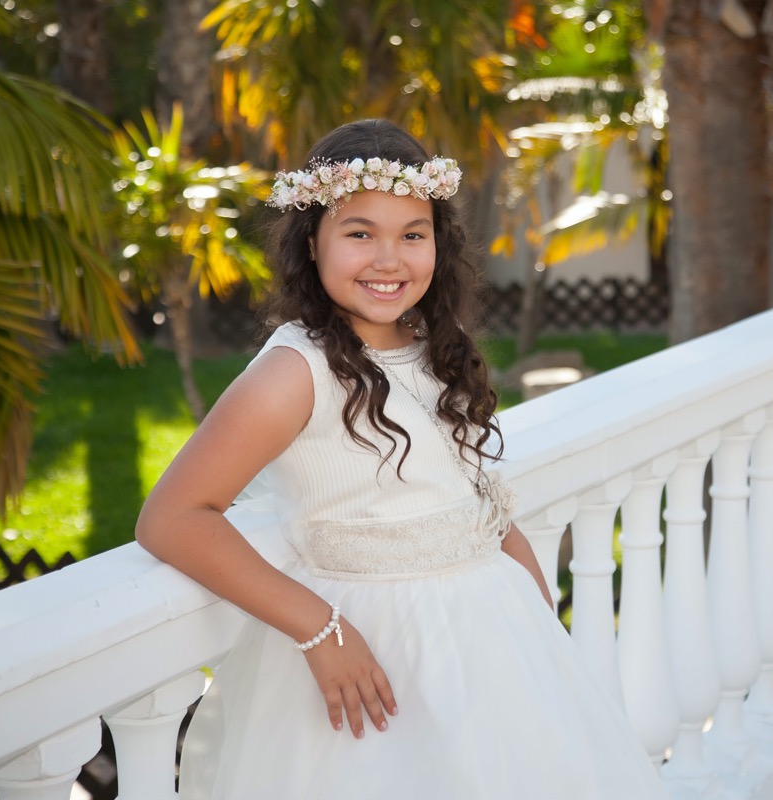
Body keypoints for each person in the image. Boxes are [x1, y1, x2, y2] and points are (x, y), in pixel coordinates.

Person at [136, 119, 669, 799]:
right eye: (360, 234)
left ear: (439, 244)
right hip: (379, 654)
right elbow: (173, 518)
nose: (389, 260)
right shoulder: (295, 371)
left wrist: (540, 629)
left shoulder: (433, 346)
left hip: (491, 645)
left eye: (413, 235)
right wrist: (321, 631)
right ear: (312, 242)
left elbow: (480, 508)